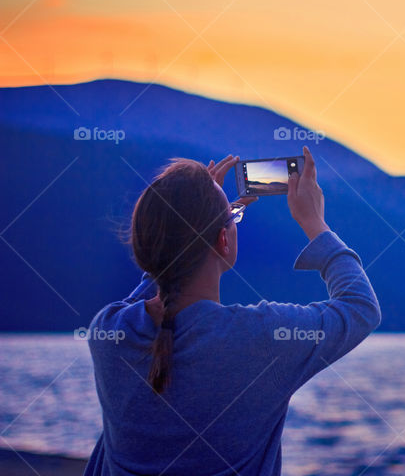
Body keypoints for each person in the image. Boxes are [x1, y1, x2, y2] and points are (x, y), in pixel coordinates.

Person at [83, 146, 380, 475]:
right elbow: (359, 307)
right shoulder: (262, 339)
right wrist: (315, 223)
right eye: (234, 219)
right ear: (224, 241)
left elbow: (161, 273)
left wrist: (200, 217)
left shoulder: (107, 332)